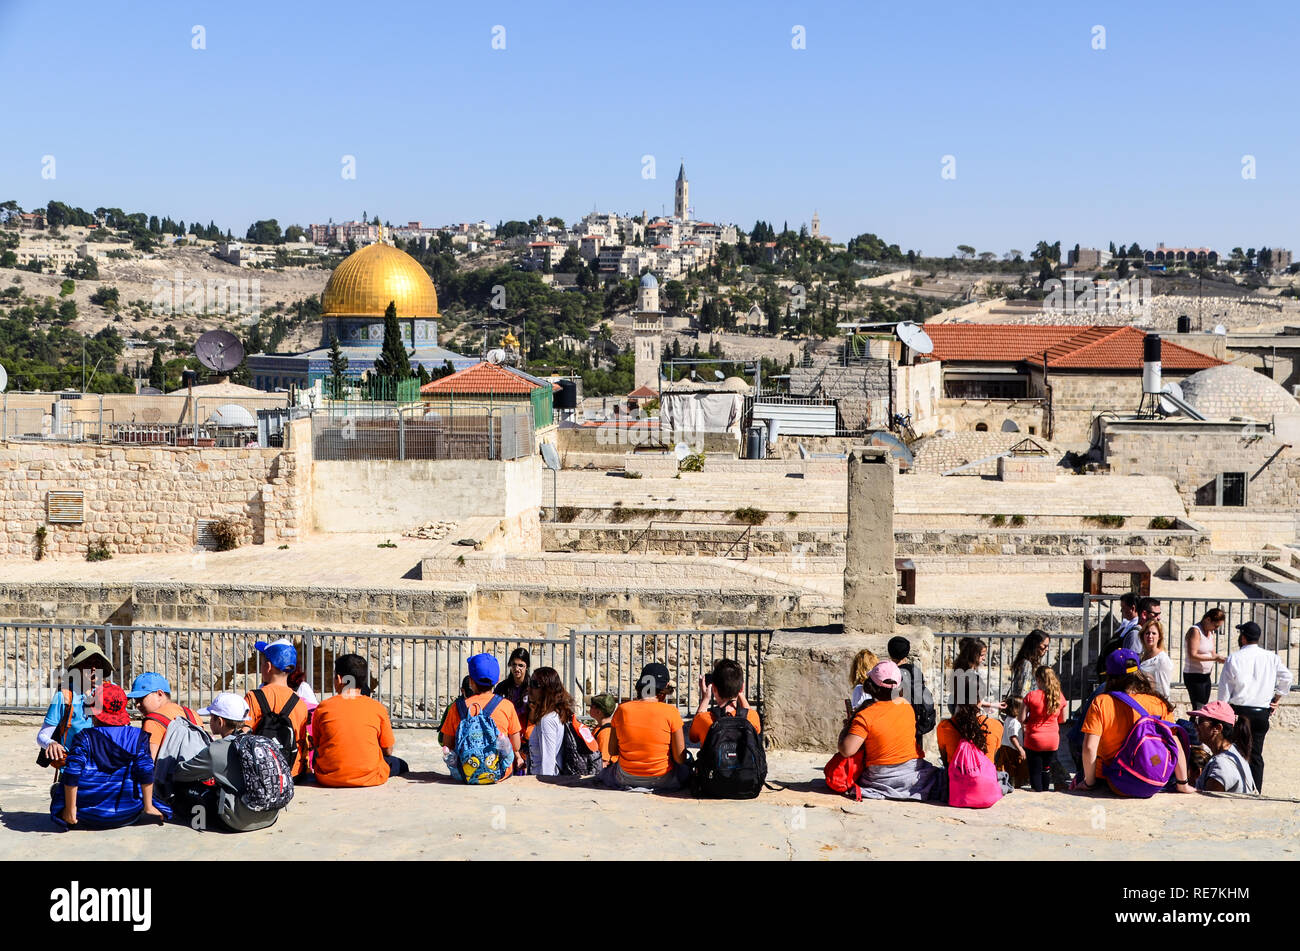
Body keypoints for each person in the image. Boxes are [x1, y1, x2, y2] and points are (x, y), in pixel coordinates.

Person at [51, 683, 166, 829]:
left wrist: (70, 809)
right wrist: (148, 807)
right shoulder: (138, 737)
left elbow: (73, 772)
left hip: (86, 816)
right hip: (128, 814)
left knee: (57, 790)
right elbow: (146, 770)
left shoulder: (84, 738)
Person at [1079, 649, 1192, 796]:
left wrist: (1089, 783)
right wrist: (1182, 784)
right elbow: (1174, 742)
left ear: (1110, 677)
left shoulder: (1102, 702)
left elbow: (1089, 748)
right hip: (1153, 781)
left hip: (1117, 781)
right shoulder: (1158, 702)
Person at [172, 692, 286, 831]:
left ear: (220, 721)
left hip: (237, 822)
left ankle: (197, 822)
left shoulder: (216, 750)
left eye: (211, 718)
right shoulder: (258, 742)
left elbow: (180, 774)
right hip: (270, 816)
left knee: (183, 789)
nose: (209, 721)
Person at [837, 661, 943, 801]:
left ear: (871, 685)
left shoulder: (865, 715)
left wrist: (847, 727)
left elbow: (847, 750)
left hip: (880, 778)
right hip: (914, 775)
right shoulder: (906, 706)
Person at [1217, 621, 1293, 793]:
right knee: (1256, 754)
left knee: (1236, 752)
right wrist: (1277, 697)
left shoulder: (1234, 658)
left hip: (1239, 712)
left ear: (1243, 638)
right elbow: (1287, 677)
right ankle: (1255, 790)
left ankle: (1237, 787)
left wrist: (1222, 709)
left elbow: (1224, 691)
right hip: (1261, 713)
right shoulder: (1271, 657)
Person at [311, 653, 408, 787]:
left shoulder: (323, 707)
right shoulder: (377, 708)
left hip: (329, 777)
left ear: (339, 679)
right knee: (400, 764)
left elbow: (317, 744)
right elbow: (388, 751)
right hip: (370, 777)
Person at [601, 663, 689, 791]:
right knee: (686, 767)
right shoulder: (671, 711)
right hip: (662, 779)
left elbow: (613, 751)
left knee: (606, 773)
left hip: (626, 777)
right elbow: (680, 758)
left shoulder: (622, 709)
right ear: (664, 690)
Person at [440, 653, 523, 780]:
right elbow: (516, 745)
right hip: (499, 773)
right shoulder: (506, 706)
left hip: (466, 774)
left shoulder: (457, 707)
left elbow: (447, 744)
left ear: (471, 681)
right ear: (497, 680)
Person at [38, 642, 113, 770]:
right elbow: (42, 736)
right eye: (88, 663)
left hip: (103, 767)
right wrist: (51, 743)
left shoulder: (111, 692)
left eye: (98, 663)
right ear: (77, 668)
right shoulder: (64, 697)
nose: (94, 668)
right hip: (73, 767)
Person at [244, 639, 311, 776]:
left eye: (262, 663)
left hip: (261, 772)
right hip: (292, 773)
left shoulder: (253, 697)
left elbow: (244, 733)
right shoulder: (300, 702)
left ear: (268, 666)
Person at [126, 672, 200, 761]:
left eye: (141, 699)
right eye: (136, 700)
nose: (137, 704)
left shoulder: (152, 722)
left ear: (160, 694)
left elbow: (148, 763)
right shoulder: (192, 714)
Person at [1188, 700, 1257, 795]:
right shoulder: (1234, 751)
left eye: (1200, 721)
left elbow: (1209, 803)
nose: (1195, 726)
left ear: (1217, 728)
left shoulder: (1221, 765)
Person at [689, 658, 761, 744]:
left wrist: (705, 698)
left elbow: (693, 738)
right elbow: (756, 729)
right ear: (742, 688)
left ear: (714, 688)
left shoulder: (704, 719)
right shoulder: (752, 717)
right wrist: (739, 691)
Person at [1022, 666, 1067, 792]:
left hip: (1034, 739)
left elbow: (1021, 718)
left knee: (1035, 769)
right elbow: (1063, 720)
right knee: (1046, 768)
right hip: (1052, 740)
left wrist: (1030, 720)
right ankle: (1046, 790)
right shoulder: (1060, 697)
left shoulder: (1031, 696)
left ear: (1038, 679)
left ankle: (1037, 791)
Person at [526, 666, 574, 777]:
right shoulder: (555, 715)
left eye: (534, 684)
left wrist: (544, 790)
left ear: (547, 690)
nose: (529, 688)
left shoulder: (547, 720)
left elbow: (548, 762)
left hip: (542, 781)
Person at [888, 636, 936, 739]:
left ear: (889, 652)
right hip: (916, 724)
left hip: (898, 726)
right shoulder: (916, 670)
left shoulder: (891, 673)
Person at [1183, 609, 1227, 711]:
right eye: (1215, 626)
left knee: (1203, 707)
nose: (1216, 629)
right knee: (1199, 707)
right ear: (1208, 620)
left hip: (1206, 675)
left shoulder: (1210, 632)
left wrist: (1221, 659)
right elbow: (1192, 655)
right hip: (1194, 675)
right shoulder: (1195, 631)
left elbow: (1212, 653)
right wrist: (1214, 658)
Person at [936, 701, 1003, 766]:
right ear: (979, 703)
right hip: (986, 775)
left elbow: (945, 761)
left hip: (956, 776)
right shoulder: (996, 725)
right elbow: (994, 757)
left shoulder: (945, 726)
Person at [995, 695, 1029, 787]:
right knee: (1014, 768)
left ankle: (1013, 783)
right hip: (1012, 749)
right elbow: (1012, 737)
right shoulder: (1014, 721)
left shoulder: (1009, 719)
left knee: (1010, 769)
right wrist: (1020, 749)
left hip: (1008, 747)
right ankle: (1015, 785)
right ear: (1017, 709)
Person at [1138, 618, 1173, 703]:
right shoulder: (1142, 655)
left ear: (1159, 636)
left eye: (1154, 633)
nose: (1150, 636)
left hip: (1155, 704)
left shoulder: (1162, 660)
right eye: (1147, 633)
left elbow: (1163, 689)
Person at [1008, 630, 1049, 699]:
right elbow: (1023, 691)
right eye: (1045, 645)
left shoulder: (1030, 662)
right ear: (1036, 644)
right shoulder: (1027, 664)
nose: (1047, 649)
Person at [588, 693, 617, 765]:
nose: (589, 708)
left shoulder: (606, 733)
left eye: (591, 706)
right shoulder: (600, 727)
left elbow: (604, 763)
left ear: (598, 712)